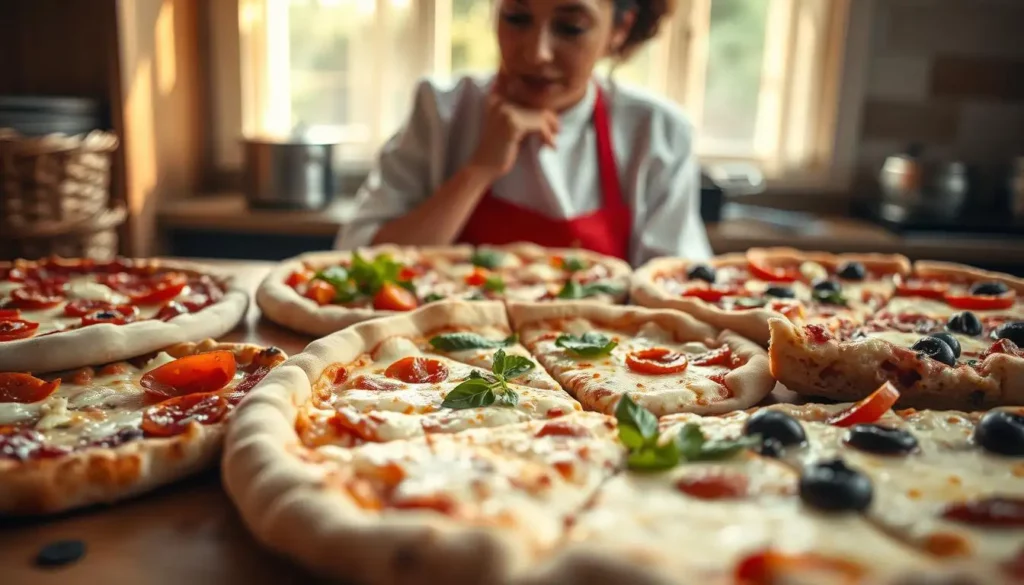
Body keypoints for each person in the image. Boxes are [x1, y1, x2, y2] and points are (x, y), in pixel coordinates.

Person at [334, 0, 712, 267]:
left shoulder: (656, 132)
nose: (536, 53)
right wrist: (478, 170)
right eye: (516, 17)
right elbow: (354, 263)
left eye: (570, 27)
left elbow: (677, 285)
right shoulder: (441, 111)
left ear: (619, 29)